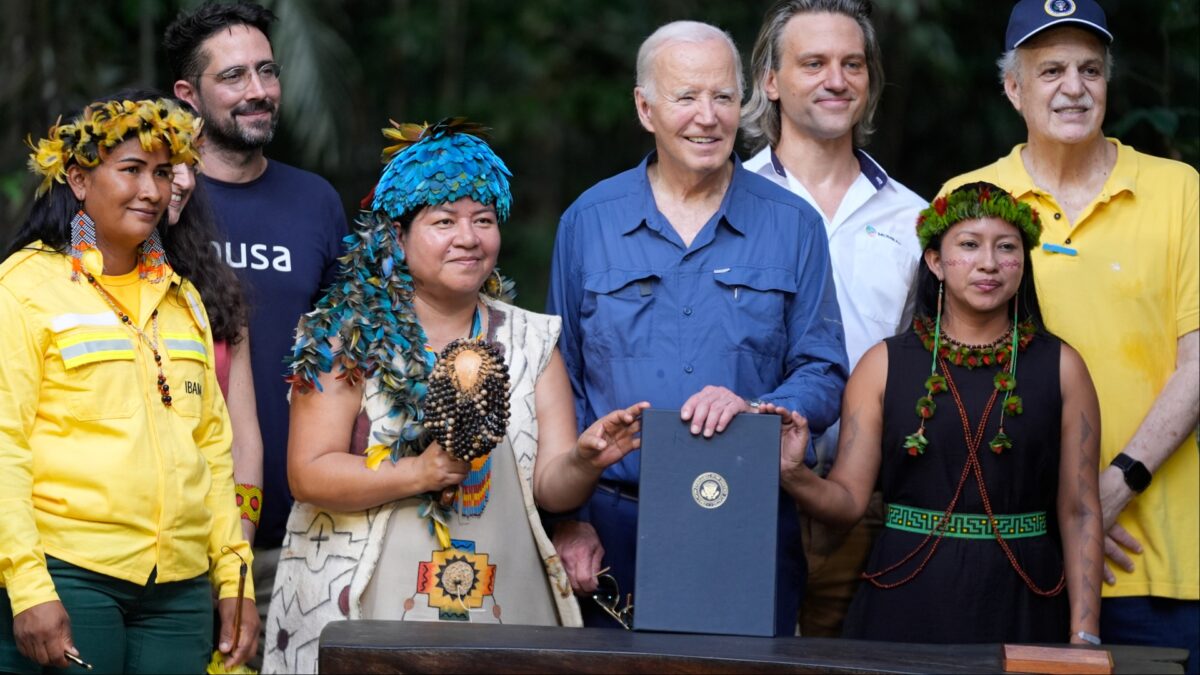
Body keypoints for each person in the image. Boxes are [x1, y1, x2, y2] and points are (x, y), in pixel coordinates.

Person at [262, 119, 648, 673]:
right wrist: (418, 473)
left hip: (503, 600)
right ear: (396, 238)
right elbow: (309, 473)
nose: (469, 238)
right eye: (444, 221)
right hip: (360, 599)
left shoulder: (531, 340)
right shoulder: (346, 337)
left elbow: (551, 488)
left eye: (484, 221)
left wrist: (586, 459)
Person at [546, 20, 849, 634]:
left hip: (748, 515)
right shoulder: (589, 221)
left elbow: (822, 367)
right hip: (611, 528)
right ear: (645, 107)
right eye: (686, 98)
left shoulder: (794, 225)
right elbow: (560, 381)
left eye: (723, 97)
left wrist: (764, 407)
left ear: (745, 104)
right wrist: (566, 521)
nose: (707, 117)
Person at [942, 0, 1198, 666]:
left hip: (1159, 559)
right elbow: (949, 381)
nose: (1074, 87)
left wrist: (1111, 489)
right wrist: (1061, 513)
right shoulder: (967, 200)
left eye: (1091, 68)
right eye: (1051, 69)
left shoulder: (1181, 191)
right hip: (1016, 551)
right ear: (1013, 88)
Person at [774, 182, 1103, 643]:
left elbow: (1080, 510)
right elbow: (847, 502)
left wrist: (1085, 634)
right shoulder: (882, 366)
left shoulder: (1063, 367)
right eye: (968, 245)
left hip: (1026, 596)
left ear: (1023, 262)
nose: (988, 262)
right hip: (904, 595)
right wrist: (793, 473)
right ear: (935, 262)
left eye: (1006, 247)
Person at [0, 96, 257, 672]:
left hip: (180, 590)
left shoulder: (184, 298)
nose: (152, 189)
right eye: (132, 169)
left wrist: (233, 576)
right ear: (79, 180)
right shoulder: (25, 287)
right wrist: (29, 587)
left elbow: (214, 453)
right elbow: (3, 446)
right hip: (70, 573)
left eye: (163, 173)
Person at [740, 0, 925, 636]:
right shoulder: (726, 206)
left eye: (852, 64)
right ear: (770, 80)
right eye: (813, 63)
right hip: (742, 489)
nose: (836, 80)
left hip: (873, 505)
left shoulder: (914, 220)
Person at [163, 0, 348, 614]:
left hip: (302, 533)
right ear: (188, 94)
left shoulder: (315, 200)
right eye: (234, 76)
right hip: (179, 534)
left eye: (267, 72)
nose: (259, 91)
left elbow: (347, 352)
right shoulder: (155, 201)